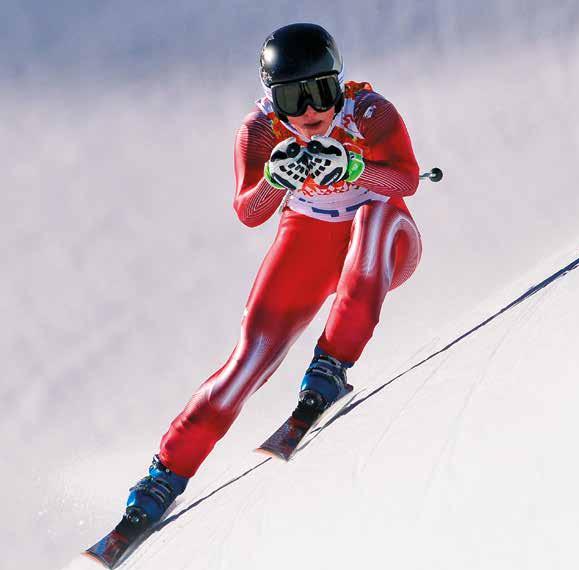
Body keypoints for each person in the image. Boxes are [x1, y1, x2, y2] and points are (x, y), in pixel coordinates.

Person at [121, 23, 423, 527]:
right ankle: (166, 471)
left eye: (321, 91)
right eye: (292, 97)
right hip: (310, 234)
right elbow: (249, 212)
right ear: (270, 98)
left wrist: (354, 169)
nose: (310, 111)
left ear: (339, 84)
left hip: (386, 236)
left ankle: (330, 364)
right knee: (247, 360)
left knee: (373, 219)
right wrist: (273, 181)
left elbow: (406, 180)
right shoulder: (260, 130)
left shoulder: (369, 112)